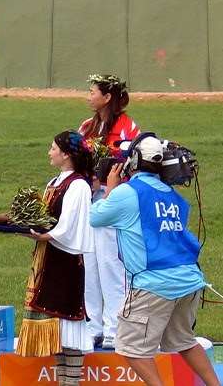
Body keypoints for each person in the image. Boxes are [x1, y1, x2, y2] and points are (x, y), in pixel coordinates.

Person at [89, 133, 220, 386]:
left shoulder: (127, 192)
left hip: (153, 284)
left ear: (134, 161)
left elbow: (96, 218)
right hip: (189, 281)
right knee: (183, 340)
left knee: (129, 347)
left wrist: (109, 189)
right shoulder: (175, 197)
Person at [17, 131, 94, 386]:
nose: (49, 152)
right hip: (49, 257)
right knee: (57, 331)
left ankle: (71, 382)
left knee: (68, 325)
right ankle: (63, 383)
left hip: (65, 261)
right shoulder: (56, 181)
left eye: (53, 148)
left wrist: (45, 235)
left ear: (66, 154)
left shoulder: (78, 185)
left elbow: (69, 225)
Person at [79, 74, 140, 349]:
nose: (88, 96)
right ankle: (93, 326)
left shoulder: (128, 127)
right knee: (89, 264)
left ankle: (116, 327)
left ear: (107, 97)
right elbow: (77, 156)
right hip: (90, 199)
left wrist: (108, 178)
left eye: (92, 91)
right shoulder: (88, 126)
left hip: (115, 199)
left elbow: (134, 160)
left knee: (111, 264)